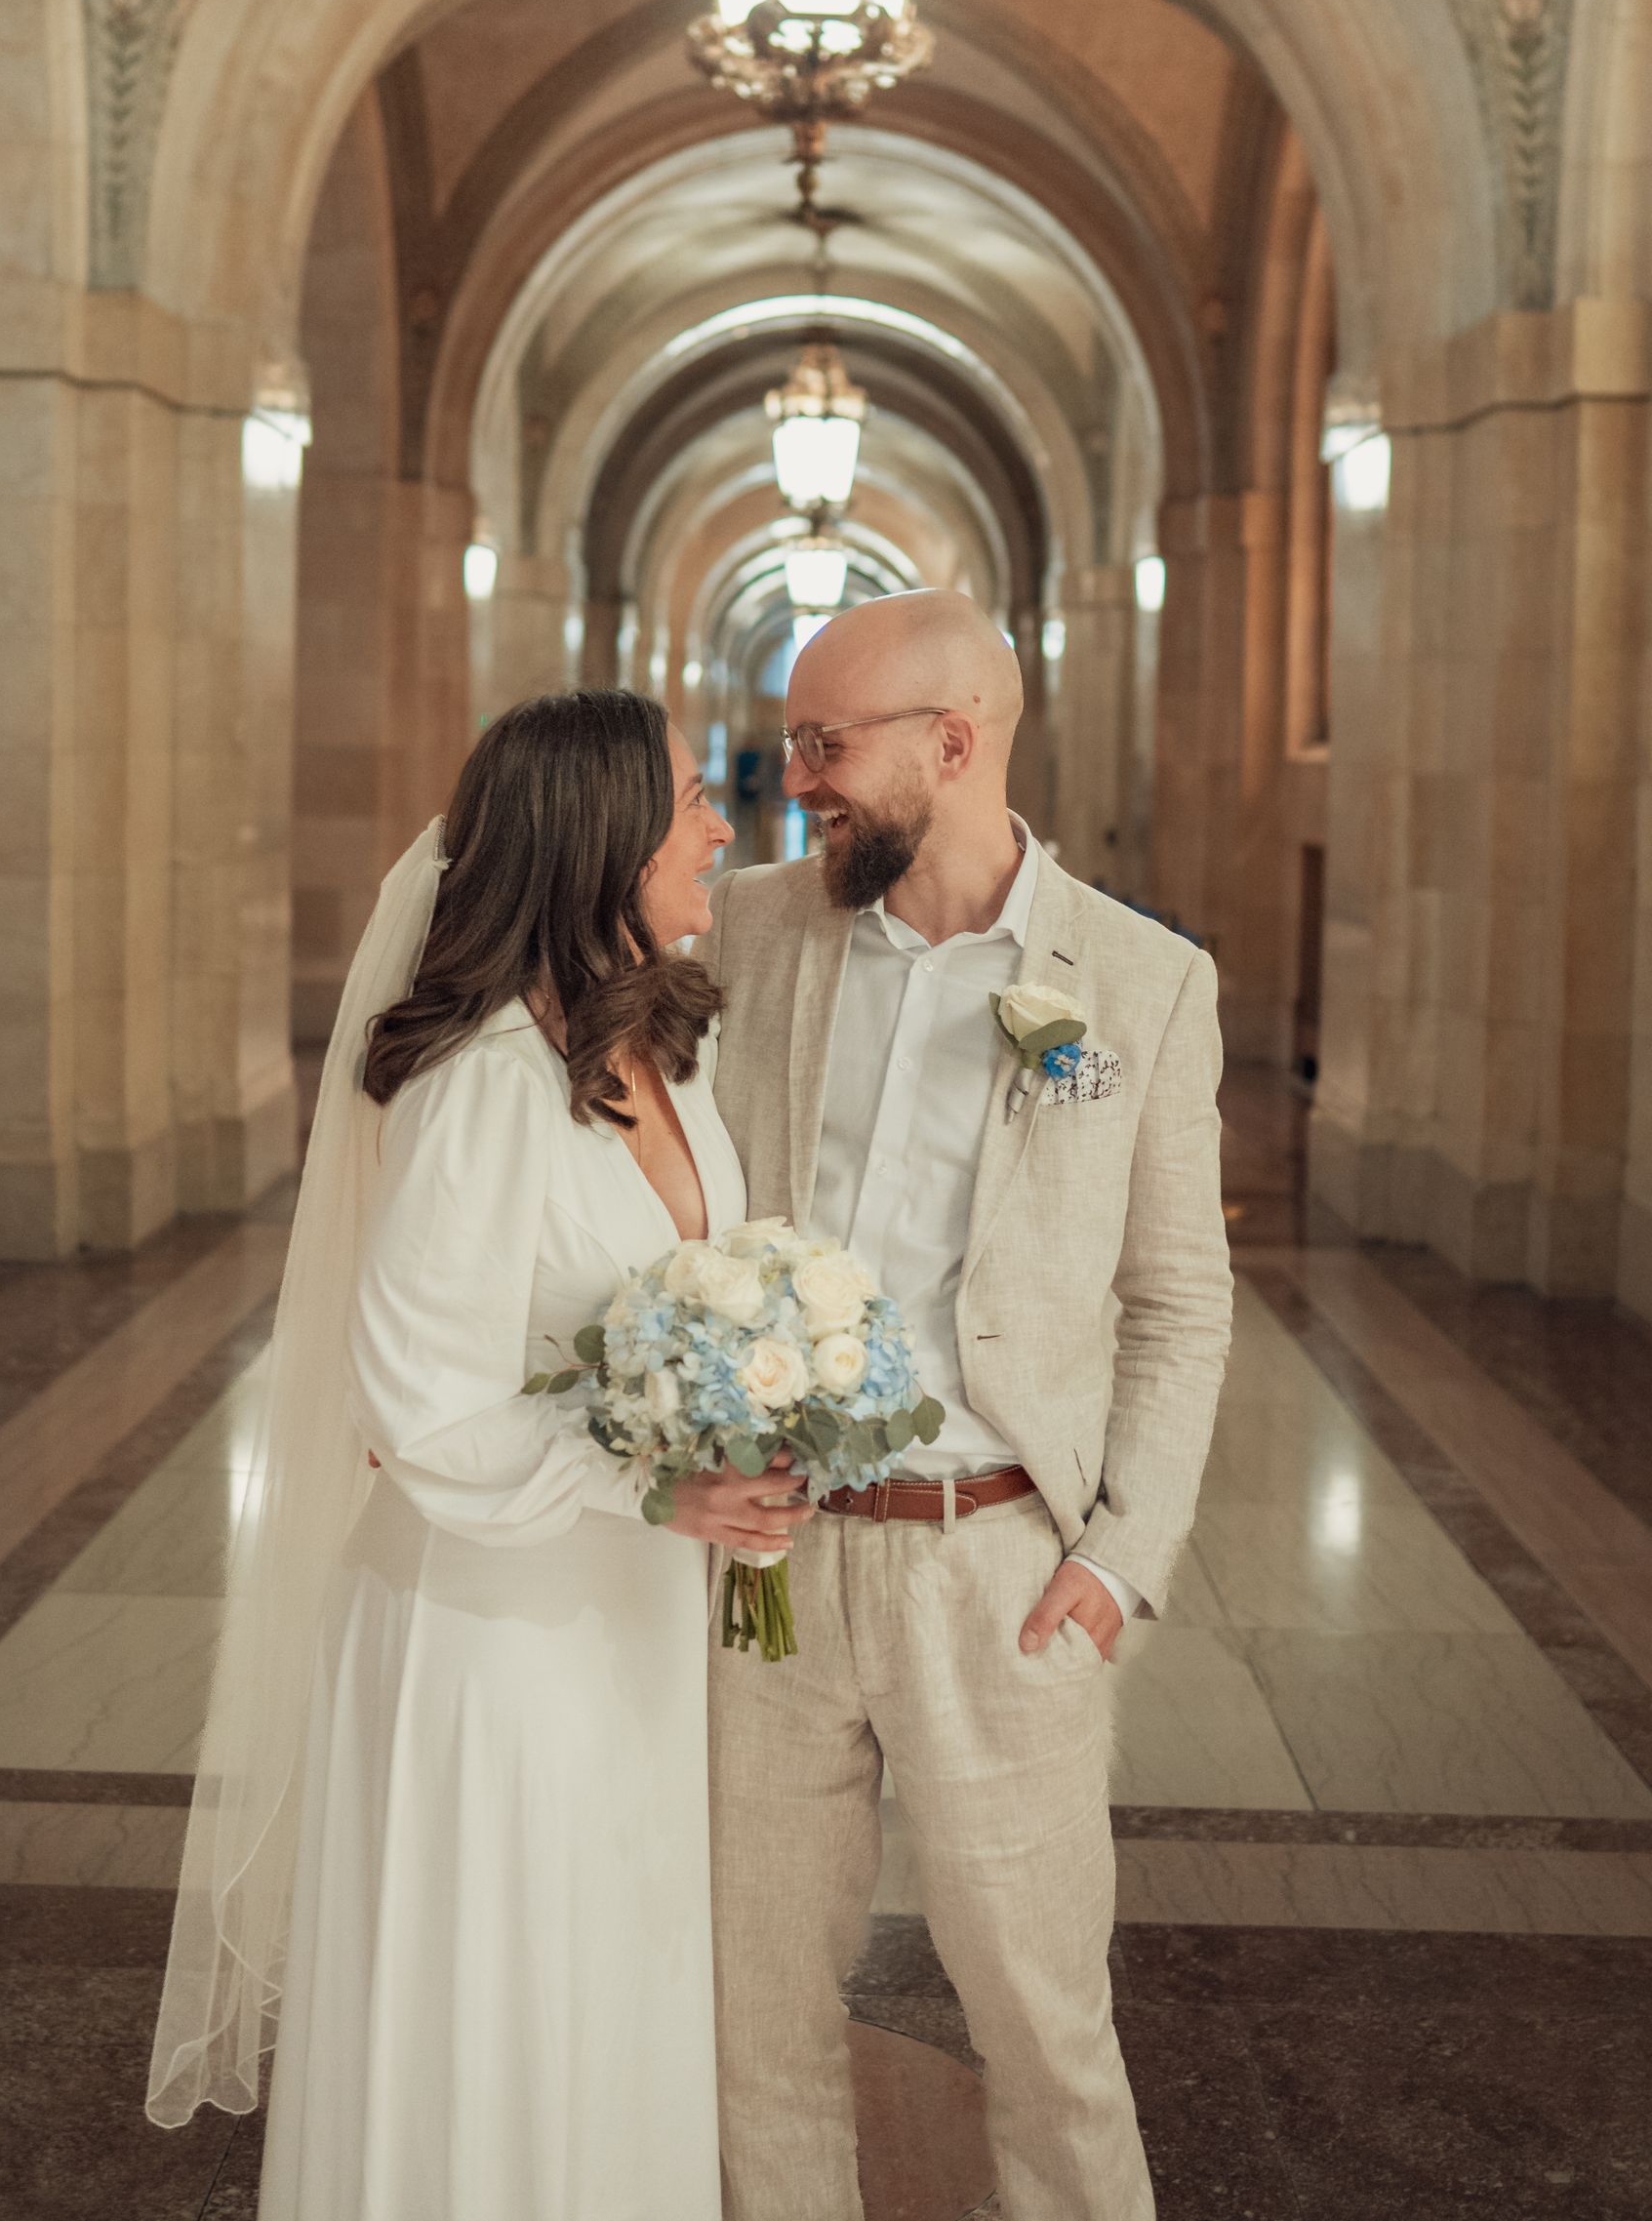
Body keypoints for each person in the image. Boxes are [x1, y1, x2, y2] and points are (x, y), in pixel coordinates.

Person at [147, 689, 813, 2221]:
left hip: (630, 1612)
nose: (723, 820)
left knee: (612, 1974)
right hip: (489, 1628)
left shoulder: (665, 1047)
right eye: (691, 800)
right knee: (506, 1988)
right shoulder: (479, 1089)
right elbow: (420, 1401)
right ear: (596, 838)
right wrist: (650, 1480)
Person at [699, 589, 1234, 2221]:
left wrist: (1119, 1559)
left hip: (999, 1568)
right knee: (755, 2017)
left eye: (827, 742)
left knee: (1045, 2029)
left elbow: (1181, 1299)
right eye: (793, 740)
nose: (800, 778)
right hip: (771, 1574)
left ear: (957, 738)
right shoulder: (750, 927)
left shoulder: (1137, 983)